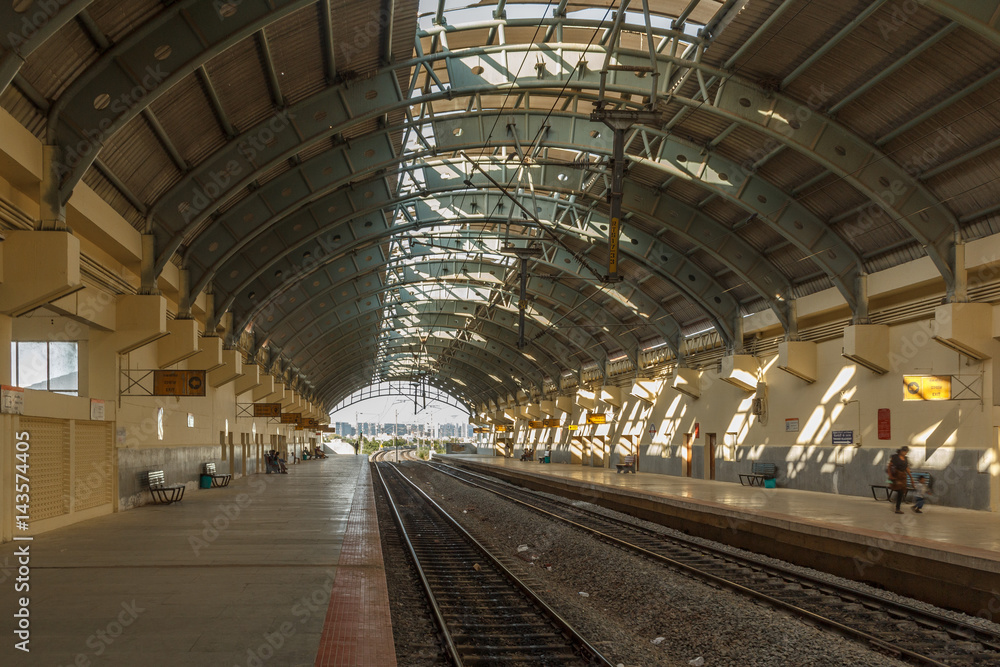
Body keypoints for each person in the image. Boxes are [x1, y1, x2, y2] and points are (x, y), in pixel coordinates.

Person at [886, 446, 913, 514]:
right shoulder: (895, 457)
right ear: (901, 451)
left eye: (906, 452)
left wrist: (911, 477)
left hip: (903, 477)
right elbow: (889, 467)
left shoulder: (905, 459)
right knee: (899, 491)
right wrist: (890, 476)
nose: (905, 453)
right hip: (896, 476)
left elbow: (906, 468)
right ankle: (897, 507)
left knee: (901, 491)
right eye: (904, 451)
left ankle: (897, 507)